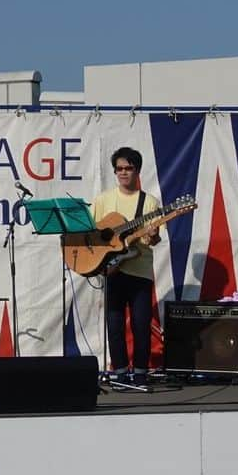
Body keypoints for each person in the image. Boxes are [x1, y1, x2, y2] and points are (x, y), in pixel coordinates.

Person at [91, 147, 161, 388]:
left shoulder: (149, 201)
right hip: (112, 269)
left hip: (139, 269)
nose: (123, 172)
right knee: (114, 323)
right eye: (119, 168)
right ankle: (119, 371)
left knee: (141, 323)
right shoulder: (103, 200)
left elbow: (154, 240)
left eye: (128, 168)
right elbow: (94, 232)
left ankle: (140, 371)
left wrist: (152, 235)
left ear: (137, 171)